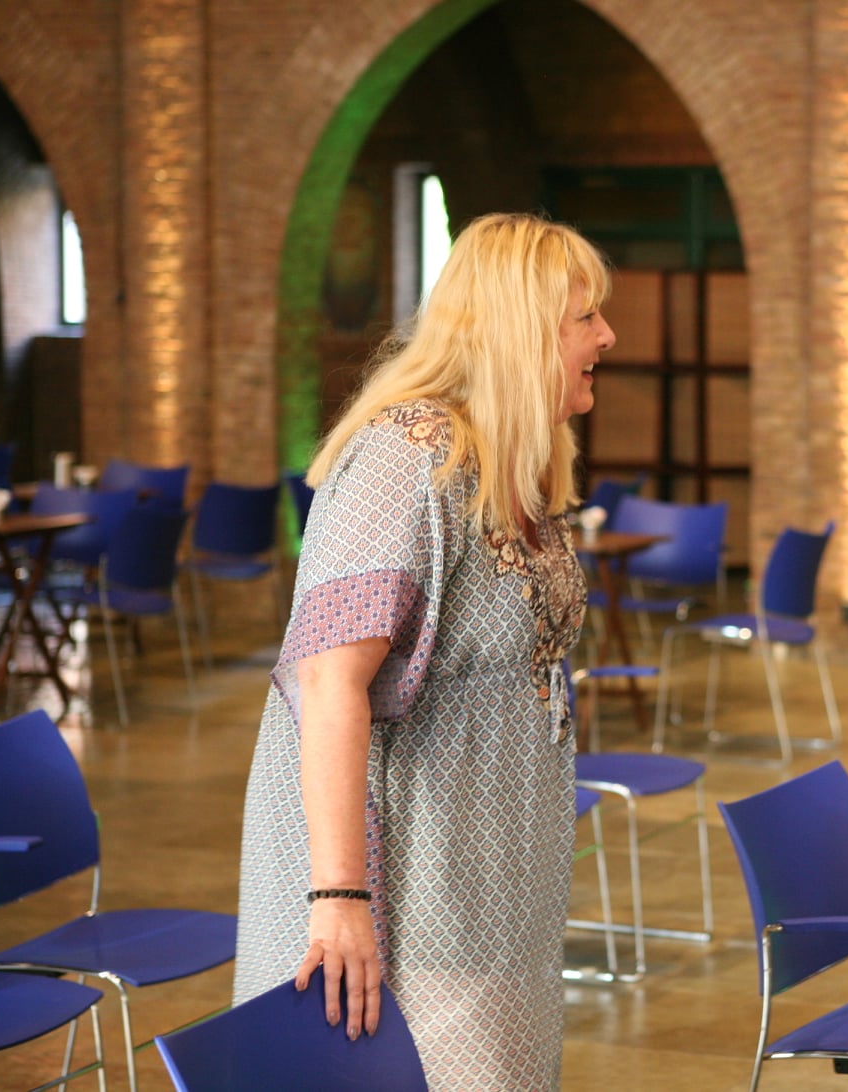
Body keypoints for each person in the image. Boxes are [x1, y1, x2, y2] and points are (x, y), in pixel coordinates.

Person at [234, 212, 616, 1089]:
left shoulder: (506, 457)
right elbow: (330, 685)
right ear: (522, 330)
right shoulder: (405, 461)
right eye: (585, 317)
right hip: (408, 879)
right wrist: (341, 898)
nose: (606, 336)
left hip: (489, 872)